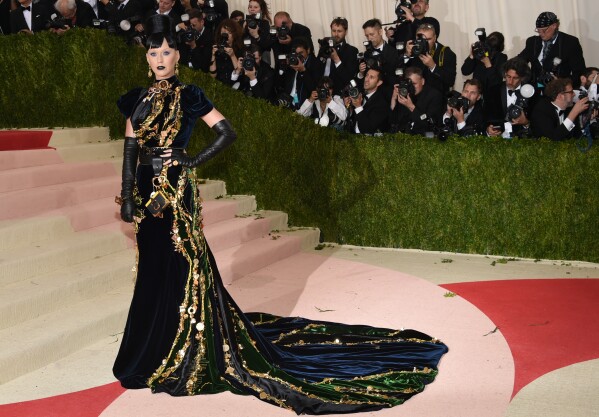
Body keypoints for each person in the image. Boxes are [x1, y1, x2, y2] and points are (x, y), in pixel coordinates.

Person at [114, 13, 448, 414]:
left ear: (178, 55)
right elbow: (131, 148)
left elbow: (226, 132)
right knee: (151, 266)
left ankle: (191, 349)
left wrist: (191, 159)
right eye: (154, 53)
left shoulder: (190, 95)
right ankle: (150, 347)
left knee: (183, 266)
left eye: (167, 52)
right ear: (147, 58)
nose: (160, 58)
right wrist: (126, 193)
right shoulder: (136, 98)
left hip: (177, 192)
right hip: (146, 193)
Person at [517, 11, 586, 89]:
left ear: (554, 25)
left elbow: (579, 71)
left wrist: (562, 83)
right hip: (535, 90)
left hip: (559, 91)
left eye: (544, 30)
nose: (541, 34)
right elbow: (520, 61)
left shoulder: (570, 42)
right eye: (538, 30)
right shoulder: (532, 41)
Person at [484, 57, 534, 139]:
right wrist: (488, 129)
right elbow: (485, 117)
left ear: (522, 78)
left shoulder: (531, 93)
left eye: (515, 78)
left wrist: (526, 123)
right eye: (508, 76)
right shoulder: (493, 91)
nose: (510, 81)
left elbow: (539, 124)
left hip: (523, 140)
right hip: (498, 139)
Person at [389, 66, 443, 134]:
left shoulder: (434, 95)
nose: (411, 87)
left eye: (414, 84)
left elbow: (430, 125)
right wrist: (394, 98)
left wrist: (411, 107)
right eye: (409, 84)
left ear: (423, 81)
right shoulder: (405, 92)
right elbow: (393, 120)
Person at [405, 22, 456, 95]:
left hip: (437, 98)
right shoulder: (413, 49)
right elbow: (401, 72)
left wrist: (433, 66)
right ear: (416, 38)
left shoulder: (446, 53)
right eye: (421, 39)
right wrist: (407, 55)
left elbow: (450, 81)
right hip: (415, 97)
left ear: (435, 38)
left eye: (428, 39)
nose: (424, 42)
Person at [277, 36, 323, 110]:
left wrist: (303, 70)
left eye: (301, 53)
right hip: (289, 101)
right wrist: (284, 67)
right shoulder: (292, 61)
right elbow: (280, 84)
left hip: (306, 105)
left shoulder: (315, 64)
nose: (298, 56)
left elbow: (314, 88)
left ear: (308, 50)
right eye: (296, 54)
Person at [319, 17, 359, 97]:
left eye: (339, 31)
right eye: (334, 31)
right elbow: (317, 70)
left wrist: (337, 59)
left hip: (339, 95)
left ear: (346, 32)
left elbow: (349, 78)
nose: (336, 34)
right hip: (321, 92)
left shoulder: (352, 51)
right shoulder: (324, 47)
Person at [346, 67, 390, 134]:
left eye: (371, 77)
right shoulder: (360, 95)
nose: (366, 79)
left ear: (379, 83)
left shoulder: (382, 104)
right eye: (366, 75)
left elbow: (367, 130)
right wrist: (349, 107)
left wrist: (358, 106)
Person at [208, 18, 243, 86]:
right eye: (224, 33)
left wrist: (232, 56)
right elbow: (212, 75)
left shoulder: (240, 49)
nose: (226, 36)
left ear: (234, 34)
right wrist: (213, 55)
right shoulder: (217, 48)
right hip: (219, 85)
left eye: (229, 33)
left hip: (236, 85)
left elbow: (240, 73)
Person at [178, 8, 213, 72]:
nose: (191, 28)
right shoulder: (185, 33)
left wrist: (194, 46)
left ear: (202, 22)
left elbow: (205, 64)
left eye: (194, 25)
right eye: (189, 25)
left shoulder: (210, 36)